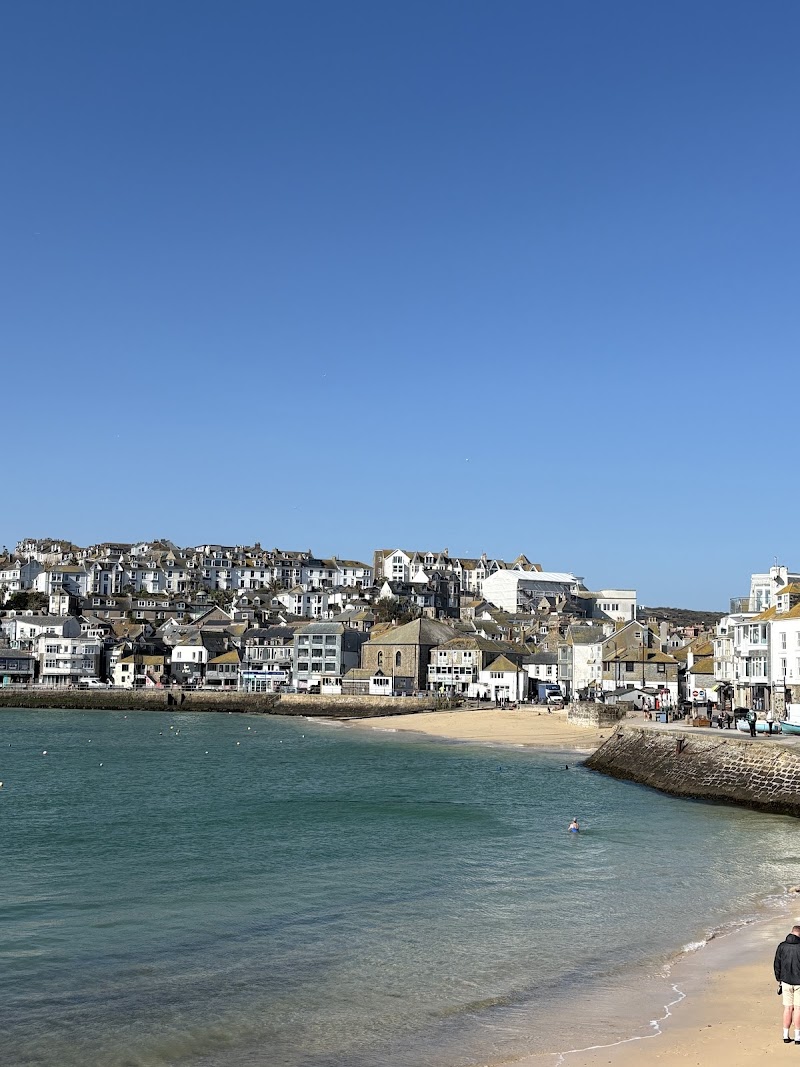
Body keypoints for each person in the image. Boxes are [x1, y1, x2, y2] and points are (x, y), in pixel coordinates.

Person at [774, 925, 800, 1044]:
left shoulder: (782, 946)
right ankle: (798, 1037)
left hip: (785, 981)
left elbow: (776, 964)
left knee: (787, 1008)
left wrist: (779, 979)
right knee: (798, 1009)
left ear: (791, 933)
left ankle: (785, 1035)